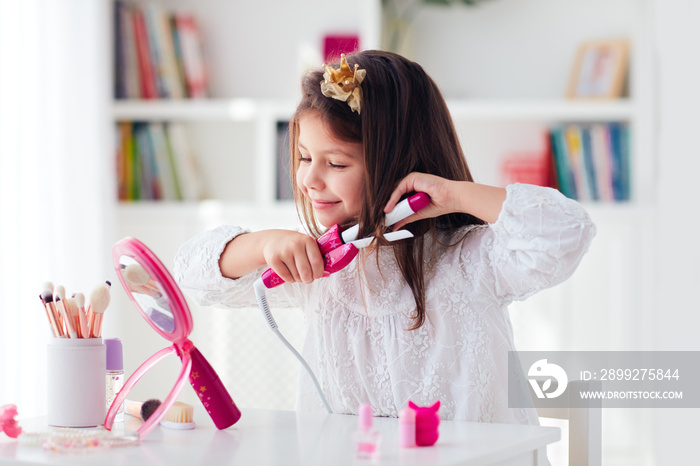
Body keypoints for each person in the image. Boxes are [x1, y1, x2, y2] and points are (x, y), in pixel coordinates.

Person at [174, 50, 596, 424]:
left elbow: (566, 232)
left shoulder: (471, 259)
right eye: (304, 157)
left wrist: (451, 193)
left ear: (401, 165)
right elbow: (194, 275)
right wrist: (262, 244)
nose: (308, 179)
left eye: (336, 165)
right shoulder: (320, 266)